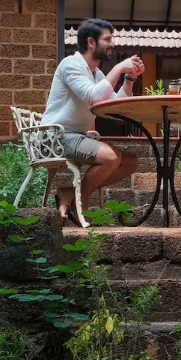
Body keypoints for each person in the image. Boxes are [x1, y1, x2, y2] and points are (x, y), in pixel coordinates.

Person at [42, 18, 144, 222]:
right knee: (111, 157)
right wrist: (118, 69)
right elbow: (94, 96)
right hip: (55, 136)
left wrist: (129, 78)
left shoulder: (95, 73)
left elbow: (114, 104)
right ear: (91, 42)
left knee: (130, 162)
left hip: (76, 136)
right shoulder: (70, 65)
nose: (112, 44)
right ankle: (81, 203)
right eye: (107, 39)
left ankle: (70, 193)